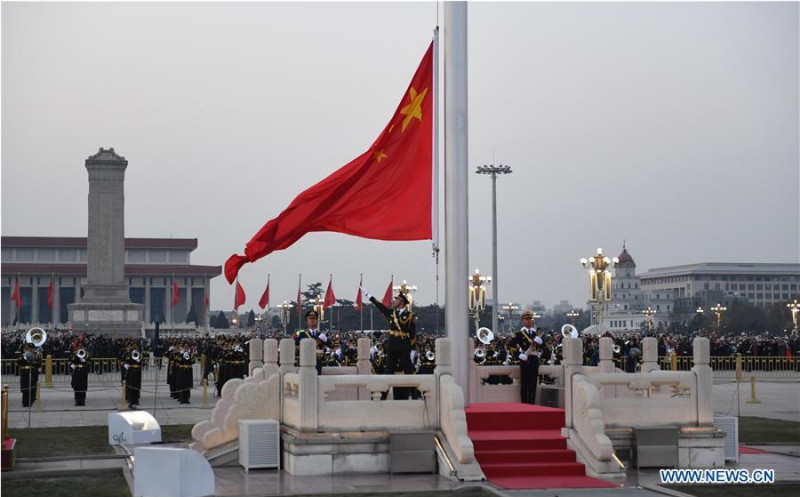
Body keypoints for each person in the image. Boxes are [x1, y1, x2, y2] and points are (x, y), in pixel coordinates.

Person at [363, 287, 417, 400]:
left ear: (401, 302)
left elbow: (412, 334)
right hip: (392, 344)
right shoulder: (391, 313)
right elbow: (379, 305)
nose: (394, 301)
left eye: (396, 299)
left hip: (403, 345)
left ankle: (415, 395)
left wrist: (412, 348)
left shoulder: (410, 316)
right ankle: (383, 396)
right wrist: (368, 295)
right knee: (388, 371)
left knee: (408, 371)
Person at [507, 309, 542, 404]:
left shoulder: (536, 334)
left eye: (530, 319)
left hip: (534, 360)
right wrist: (519, 355)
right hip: (525, 360)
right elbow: (510, 346)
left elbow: (541, 348)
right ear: (523, 320)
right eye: (526, 319)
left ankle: (532, 404)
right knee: (525, 385)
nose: (529, 321)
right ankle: (525, 405)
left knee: (533, 385)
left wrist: (540, 343)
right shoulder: (519, 334)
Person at [294, 309, 329, 374]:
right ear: (307, 321)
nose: (312, 321)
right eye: (310, 319)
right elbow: (295, 349)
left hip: (318, 364)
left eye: (314, 319)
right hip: (306, 364)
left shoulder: (321, 335)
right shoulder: (302, 335)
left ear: (317, 321)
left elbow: (332, 347)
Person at [119, 342, 143, 409]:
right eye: (132, 347)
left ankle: (136, 400)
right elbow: (121, 361)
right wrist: (124, 365)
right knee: (131, 385)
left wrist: (139, 360)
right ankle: (131, 400)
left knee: (137, 386)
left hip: (137, 371)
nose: (134, 349)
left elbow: (142, 363)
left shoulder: (139, 354)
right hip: (130, 371)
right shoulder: (126, 354)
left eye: (135, 347)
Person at [18, 342, 40, 407]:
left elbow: (38, 363)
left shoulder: (35, 354)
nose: (27, 349)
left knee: (31, 386)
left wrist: (32, 359)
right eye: (25, 348)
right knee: (24, 387)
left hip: (32, 371)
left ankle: (30, 401)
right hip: (24, 372)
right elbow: (18, 362)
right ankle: (24, 402)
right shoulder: (22, 355)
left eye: (28, 348)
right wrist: (24, 357)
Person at [70, 340, 90, 406]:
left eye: (82, 347)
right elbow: (71, 360)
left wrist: (85, 361)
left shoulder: (86, 354)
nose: (81, 348)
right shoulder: (75, 353)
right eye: (79, 347)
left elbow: (90, 362)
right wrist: (75, 361)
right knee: (77, 386)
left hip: (83, 370)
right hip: (77, 370)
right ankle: (77, 401)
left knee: (83, 386)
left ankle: (83, 400)